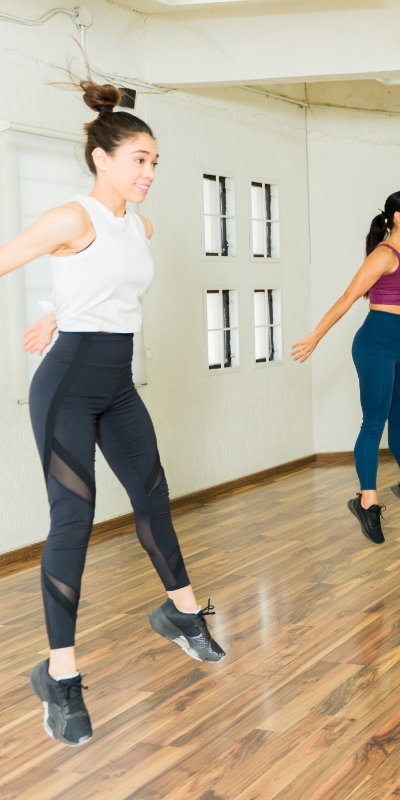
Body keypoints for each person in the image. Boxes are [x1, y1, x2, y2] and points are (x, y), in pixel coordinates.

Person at [0, 77, 225, 747]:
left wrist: (53, 311)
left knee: (153, 497)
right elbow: (17, 259)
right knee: (74, 518)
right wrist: (56, 322)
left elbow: (97, 285)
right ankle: (60, 677)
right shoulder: (73, 216)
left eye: (156, 161)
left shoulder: (139, 224)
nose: (150, 172)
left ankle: (183, 612)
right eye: (140, 159)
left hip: (117, 382)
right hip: (67, 386)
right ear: (102, 158)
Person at [291, 191, 400, 544]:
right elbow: (347, 297)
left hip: (398, 349)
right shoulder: (384, 254)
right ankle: (366, 501)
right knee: (373, 425)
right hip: (374, 347)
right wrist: (316, 336)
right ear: (399, 217)